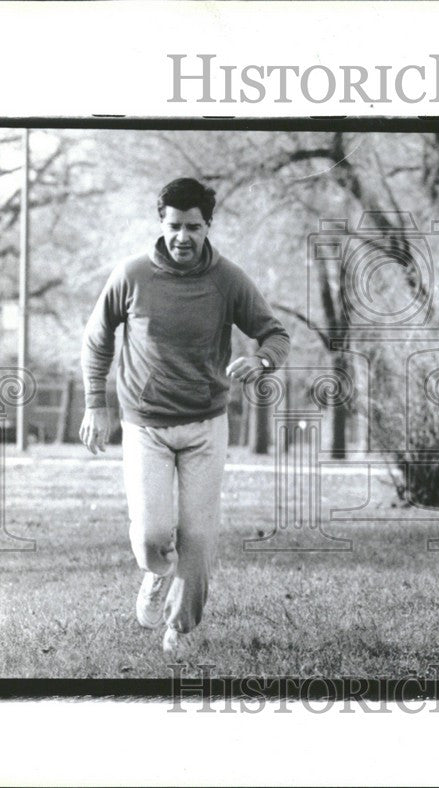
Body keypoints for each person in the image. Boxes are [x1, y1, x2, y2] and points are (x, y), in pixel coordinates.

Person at [79, 177, 290, 661]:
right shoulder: (131, 275)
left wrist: (260, 361)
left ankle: (179, 628)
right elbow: (97, 339)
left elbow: (274, 334)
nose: (182, 237)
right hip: (145, 425)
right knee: (153, 537)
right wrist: (96, 403)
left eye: (193, 227)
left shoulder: (227, 279)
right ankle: (155, 573)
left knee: (197, 540)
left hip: (205, 426)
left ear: (207, 225)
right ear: (162, 223)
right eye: (174, 226)